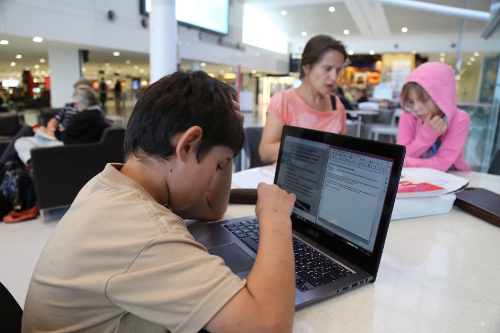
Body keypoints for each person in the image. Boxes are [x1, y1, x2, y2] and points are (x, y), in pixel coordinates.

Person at [22, 71, 297, 333]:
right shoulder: (143, 229)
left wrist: (224, 145)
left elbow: (213, 208)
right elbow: (266, 325)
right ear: (187, 145)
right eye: (217, 165)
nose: (215, 178)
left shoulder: (120, 184)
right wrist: (275, 218)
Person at [259, 35, 347, 163]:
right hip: (290, 179)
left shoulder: (337, 105)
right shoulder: (284, 101)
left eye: (338, 70)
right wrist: (311, 147)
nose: (334, 77)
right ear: (306, 66)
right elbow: (265, 152)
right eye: (327, 69)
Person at [397, 62, 471, 171]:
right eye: (411, 101)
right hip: (412, 177)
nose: (416, 108)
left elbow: (442, 164)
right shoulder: (408, 116)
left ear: (442, 96)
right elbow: (401, 153)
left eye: (423, 100)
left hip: (452, 176)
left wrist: (404, 162)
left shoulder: (460, 119)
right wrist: (428, 134)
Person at [14, 85, 106, 165]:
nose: (75, 106)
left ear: (85, 103)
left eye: (77, 103)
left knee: (21, 142)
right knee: (27, 139)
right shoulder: (94, 115)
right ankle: (34, 162)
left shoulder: (86, 116)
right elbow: (71, 133)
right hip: (67, 145)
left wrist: (52, 133)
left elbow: (68, 137)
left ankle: (34, 163)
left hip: (64, 148)